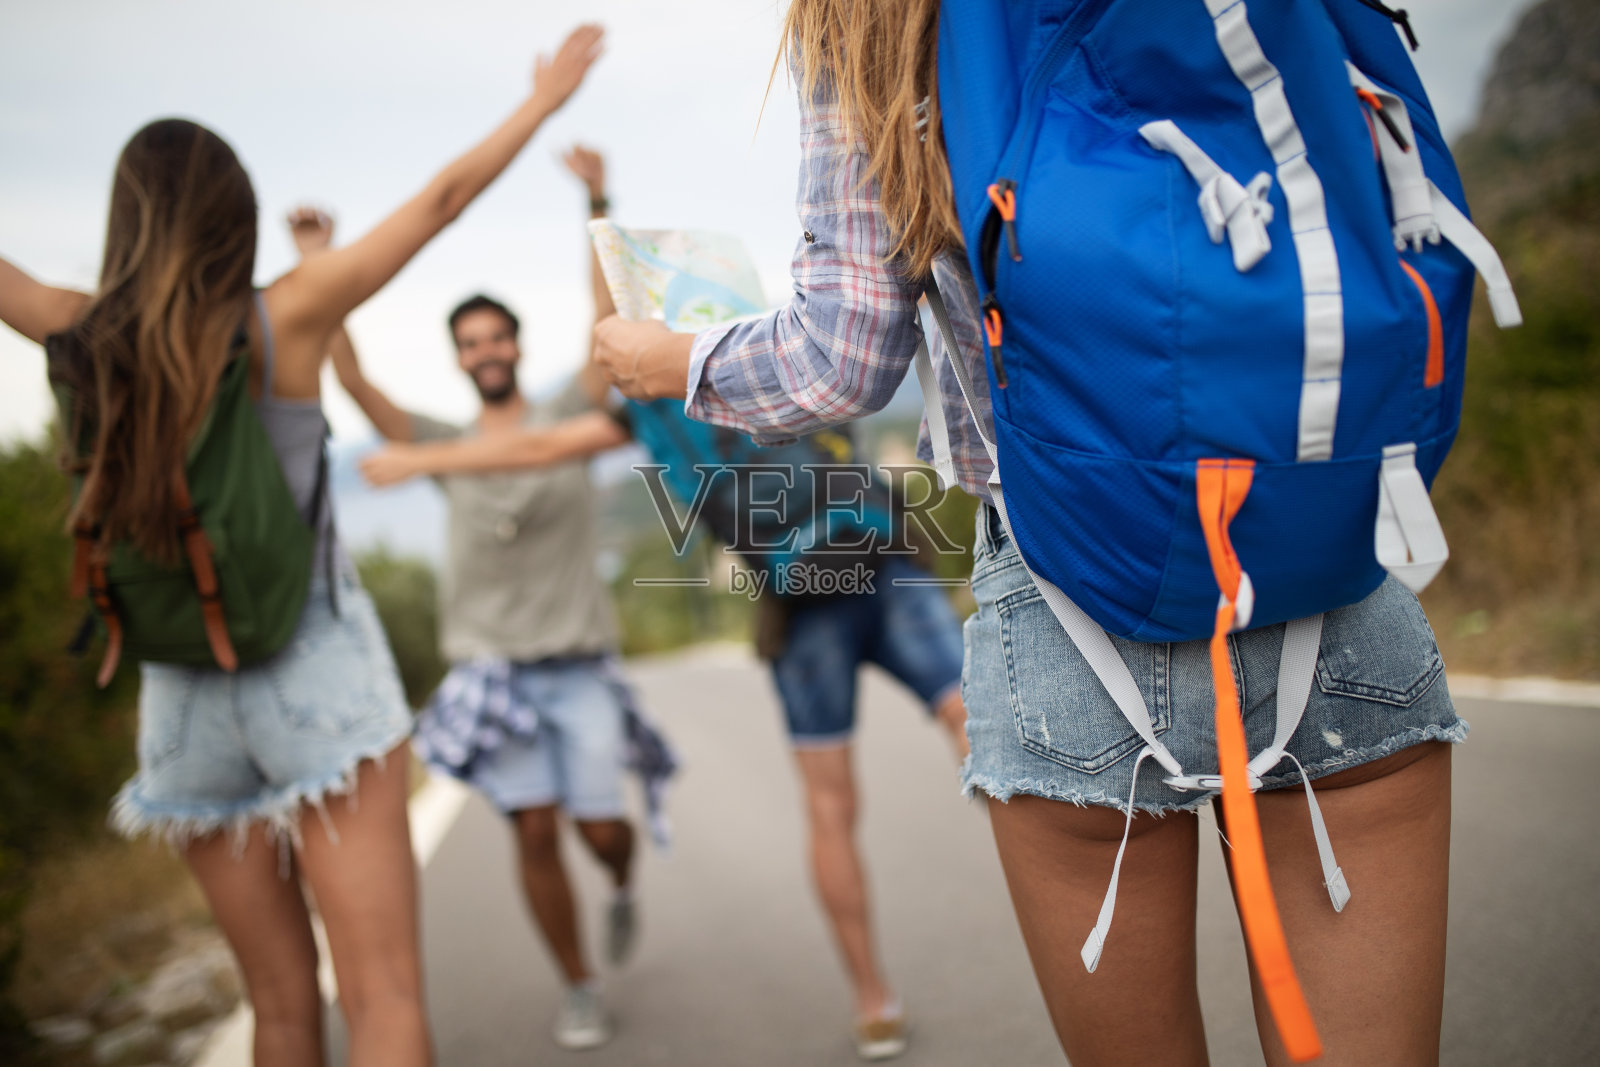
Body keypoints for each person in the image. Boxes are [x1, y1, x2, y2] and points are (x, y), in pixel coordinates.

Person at [586, 3, 1464, 1065]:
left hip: (1065, 597)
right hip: (1322, 544)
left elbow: (839, 358)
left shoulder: (867, 19)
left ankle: (872, 991)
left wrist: (666, 360)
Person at [0, 23, 603, 1067]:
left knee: (280, 1011)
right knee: (381, 999)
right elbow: (440, 201)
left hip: (181, 693)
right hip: (315, 671)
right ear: (232, 215)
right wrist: (543, 101)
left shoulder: (73, 327)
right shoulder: (282, 316)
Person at [362, 360, 968, 1062]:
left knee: (829, 806)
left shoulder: (648, 411)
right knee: (970, 719)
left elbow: (534, 447)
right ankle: (1045, 875)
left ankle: (874, 1003)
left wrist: (422, 459)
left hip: (799, 602)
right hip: (884, 558)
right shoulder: (760, 336)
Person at [313, 145, 653, 1053]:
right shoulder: (440, 439)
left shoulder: (556, 417)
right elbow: (354, 385)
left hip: (577, 663)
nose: (486, 351)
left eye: (497, 337)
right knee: (533, 828)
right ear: (460, 359)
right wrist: (321, 269)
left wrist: (595, 197)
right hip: (491, 671)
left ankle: (621, 882)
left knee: (601, 827)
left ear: (515, 346)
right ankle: (578, 983)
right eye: (470, 344)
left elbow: (605, 318)